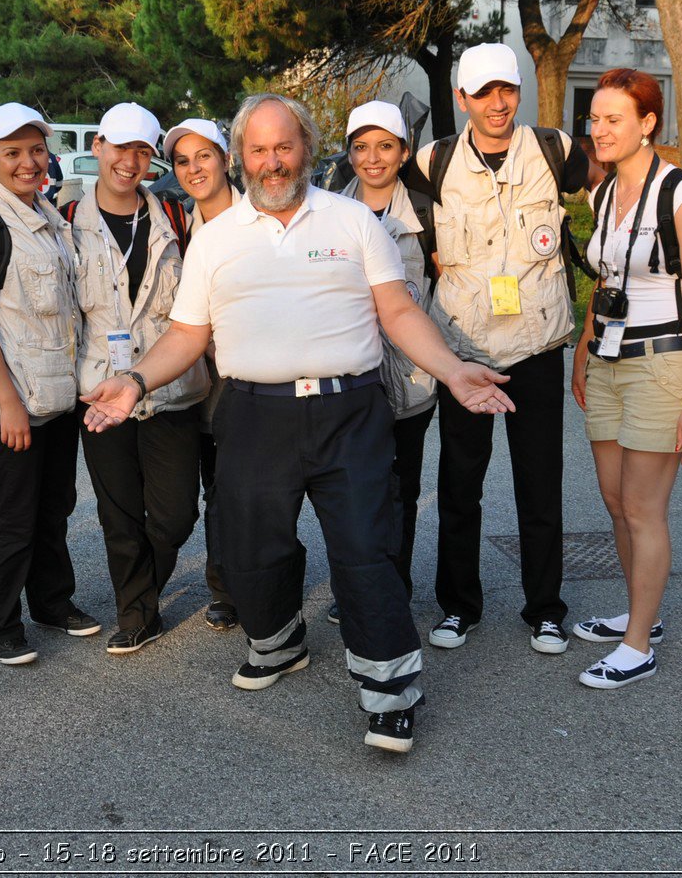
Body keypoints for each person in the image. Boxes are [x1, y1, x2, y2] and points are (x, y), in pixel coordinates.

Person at [82, 93, 515, 754]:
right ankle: (279, 644)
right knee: (252, 549)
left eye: (285, 146)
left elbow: (398, 312)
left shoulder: (352, 221)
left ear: (309, 149)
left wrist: (454, 370)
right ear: (240, 158)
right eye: (258, 149)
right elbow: (187, 332)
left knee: (367, 550)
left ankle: (390, 692)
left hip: (350, 411)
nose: (273, 160)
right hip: (254, 413)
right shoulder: (215, 238)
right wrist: (137, 378)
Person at [411, 42, 591, 657]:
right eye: (483, 92)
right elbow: (388, 207)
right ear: (462, 98)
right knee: (460, 484)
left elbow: (614, 179)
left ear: (519, 93)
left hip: (537, 344)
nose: (497, 103)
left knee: (539, 484)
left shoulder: (555, 151)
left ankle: (545, 609)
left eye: (506, 90)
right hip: (464, 350)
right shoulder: (430, 162)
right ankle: (459, 607)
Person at [571, 67, 682, 689]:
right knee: (612, 499)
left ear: (648, 123)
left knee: (642, 507)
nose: (599, 131)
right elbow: (604, 280)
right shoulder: (603, 192)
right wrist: (581, 351)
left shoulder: (681, 195)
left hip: (663, 362)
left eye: (614, 120)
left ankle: (637, 646)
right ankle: (639, 614)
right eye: (594, 118)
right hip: (606, 359)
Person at [0, 101, 99, 665]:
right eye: (12, 152)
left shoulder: (49, 212)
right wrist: (9, 403)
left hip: (57, 392)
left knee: (54, 505)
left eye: (36, 150)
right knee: (14, 512)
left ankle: (51, 601)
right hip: (8, 398)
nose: (27, 162)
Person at [66, 104, 210, 655]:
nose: (129, 161)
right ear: (98, 145)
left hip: (168, 387)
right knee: (119, 514)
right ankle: (137, 614)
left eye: (142, 151)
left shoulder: (175, 219)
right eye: (119, 147)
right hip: (100, 391)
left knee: (175, 515)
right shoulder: (66, 222)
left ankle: (142, 589)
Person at [331, 100, 437, 623]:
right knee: (352, 489)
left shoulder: (426, 211)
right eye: (361, 147)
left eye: (385, 147)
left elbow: (444, 282)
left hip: (409, 379)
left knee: (402, 488)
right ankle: (356, 584)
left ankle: (394, 584)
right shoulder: (328, 211)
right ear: (350, 153)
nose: (373, 158)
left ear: (404, 151)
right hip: (348, 376)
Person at [163, 117, 240, 631]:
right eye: (183, 161)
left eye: (204, 156)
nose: (194, 169)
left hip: (252, 377)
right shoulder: (177, 222)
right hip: (198, 382)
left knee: (254, 488)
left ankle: (261, 579)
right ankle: (226, 588)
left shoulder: (256, 217)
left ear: (227, 160)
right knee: (217, 487)